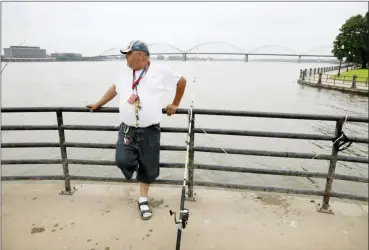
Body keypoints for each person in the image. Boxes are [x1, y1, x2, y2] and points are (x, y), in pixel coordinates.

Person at [87, 40, 186, 220]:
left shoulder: (160, 71)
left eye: (128, 53)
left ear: (139, 54)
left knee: (148, 167)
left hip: (150, 130)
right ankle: (134, 167)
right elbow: (114, 90)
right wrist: (98, 104)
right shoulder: (125, 73)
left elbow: (181, 82)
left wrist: (175, 104)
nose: (125, 57)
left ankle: (143, 200)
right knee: (122, 160)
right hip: (127, 129)